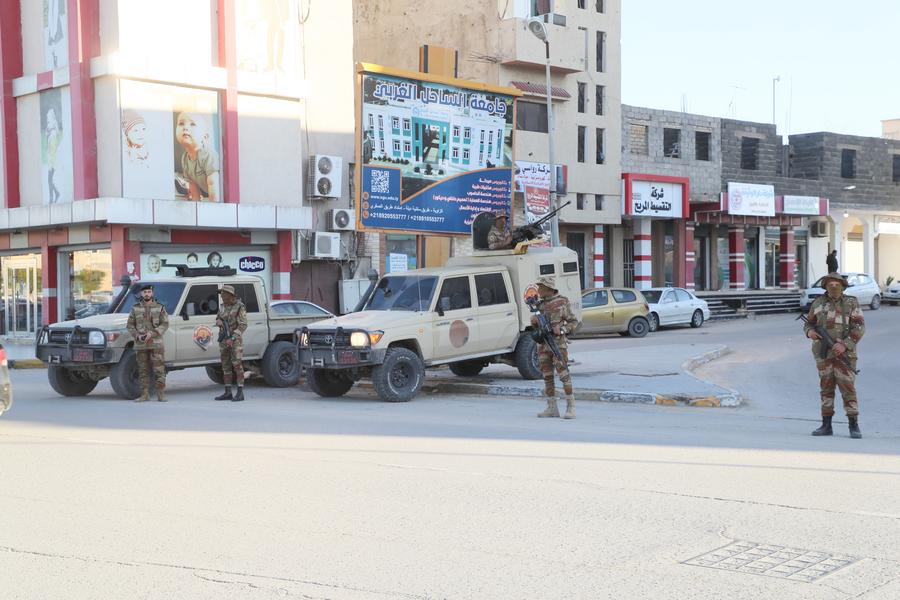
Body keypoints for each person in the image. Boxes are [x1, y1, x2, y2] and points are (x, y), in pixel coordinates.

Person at [803, 272, 865, 438]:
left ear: (843, 286)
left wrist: (844, 344)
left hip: (845, 355)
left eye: (837, 284)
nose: (834, 287)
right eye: (830, 284)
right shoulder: (818, 302)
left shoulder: (851, 302)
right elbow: (809, 323)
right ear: (825, 286)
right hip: (824, 355)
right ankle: (826, 425)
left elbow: (859, 327)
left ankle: (853, 425)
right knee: (826, 389)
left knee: (848, 389)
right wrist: (809, 332)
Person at [532, 275, 577, 419]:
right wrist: (534, 322)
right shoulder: (539, 305)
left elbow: (574, 322)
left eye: (541, 287)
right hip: (543, 346)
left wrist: (562, 330)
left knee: (564, 375)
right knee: (547, 377)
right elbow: (537, 326)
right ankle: (552, 408)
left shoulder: (562, 302)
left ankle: (571, 407)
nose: (539, 290)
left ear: (549, 289)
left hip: (558, 345)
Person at [126, 284, 170, 402]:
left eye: (149, 292)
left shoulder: (160, 307)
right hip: (141, 344)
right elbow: (130, 325)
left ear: (152, 293)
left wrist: (152, 333)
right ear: (141, 294)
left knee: (159, 370)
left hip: (156, 344)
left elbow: (165, 324)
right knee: (142, 370)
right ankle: (144, 394)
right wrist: (137, 335)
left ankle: (161, 394)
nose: (147, 294)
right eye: (145, 292)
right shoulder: (135, 308)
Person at [175, 111, 220, 202]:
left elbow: (213, 183)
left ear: (205, 137)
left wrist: (214, 207)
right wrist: (196, 205)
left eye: (192, 124)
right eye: (181, 123)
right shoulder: (185, 159)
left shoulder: (208, 155)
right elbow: (193, 185)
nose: (185, 127)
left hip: (221, 198)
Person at [215, 285, 248, 402]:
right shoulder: (222, 307)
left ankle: (240, 392)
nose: (221, 296)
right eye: (221, 293)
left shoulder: (239, 306)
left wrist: (233, 338)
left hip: (235, 341)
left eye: (223, 293)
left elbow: (243, 324)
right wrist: (218, 321)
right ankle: (228, 392)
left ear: (230, 295)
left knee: (237, 366)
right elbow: (217, 318)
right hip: (224, 340)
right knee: (225, 366)